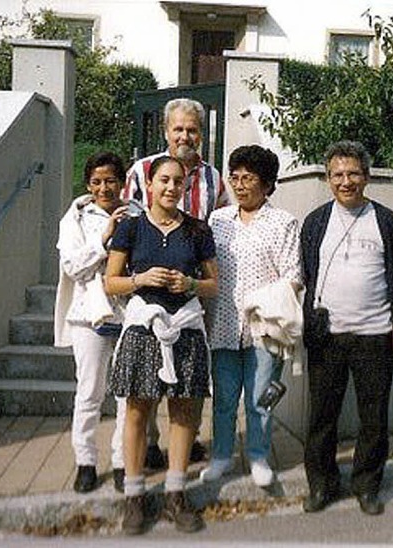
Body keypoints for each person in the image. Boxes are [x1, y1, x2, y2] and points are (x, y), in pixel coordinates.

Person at [300, 140, 393, 515]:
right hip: (326, 338)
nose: (345, 181)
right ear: (327, 179)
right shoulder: (316, 221)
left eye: (353, 173)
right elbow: (305, 271)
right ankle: (321, 485)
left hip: (375, 336)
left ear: (366, 176)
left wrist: (387, 310)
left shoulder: (387, 221)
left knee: (374, 417)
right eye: (337, 174)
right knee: (321, 418)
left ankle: (367, 486)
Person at [105, 155, 218, 535]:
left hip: (185, 328)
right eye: (164, 181)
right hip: (143, 328)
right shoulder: (132, 229)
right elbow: (111, 282)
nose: (171, 188)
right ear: (150, 185)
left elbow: (212, 285)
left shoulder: (198, 231)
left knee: (185, 412)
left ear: (186, 188)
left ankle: (174, 494)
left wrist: (188, 285)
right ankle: (135, 497)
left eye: (179, 182)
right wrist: (141, 279)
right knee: (137, 411)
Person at [117, 97, 230, 472]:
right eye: (178, 128)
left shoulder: (214, 179)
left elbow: (221, 225)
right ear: (166, 131)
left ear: (201, 134)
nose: (185, 135)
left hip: (192, 288)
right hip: (148, 290)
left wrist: (196, 282)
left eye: (192, 129)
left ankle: (189, 440)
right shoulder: (142, 170)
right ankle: (148, 444)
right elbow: (128, 226)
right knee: (145, 379)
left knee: (189, 377)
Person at [200, 145, 302, 487]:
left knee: (260, 399)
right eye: (236, 177)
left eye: (249, 178)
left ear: (268, 184)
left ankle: (258, 456)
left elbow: (294, 275)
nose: (240, 185)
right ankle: (222, 457)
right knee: (225, 398)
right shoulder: (217, 221)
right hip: (223, 324)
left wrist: (259, 301)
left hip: (265, 327)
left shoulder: (283, 222)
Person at [53, 152, 129, 493]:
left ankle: (123, 461)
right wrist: (104, 237)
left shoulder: (137, 213)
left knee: (128, 392)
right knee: (90, 391)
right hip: (89, 314)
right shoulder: (76, 218)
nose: (104, 187)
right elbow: (74, 267)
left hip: (130, 312)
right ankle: (85, 461)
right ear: (88, 184)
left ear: (122, 182)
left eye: (111, 180)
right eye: (97, 181)